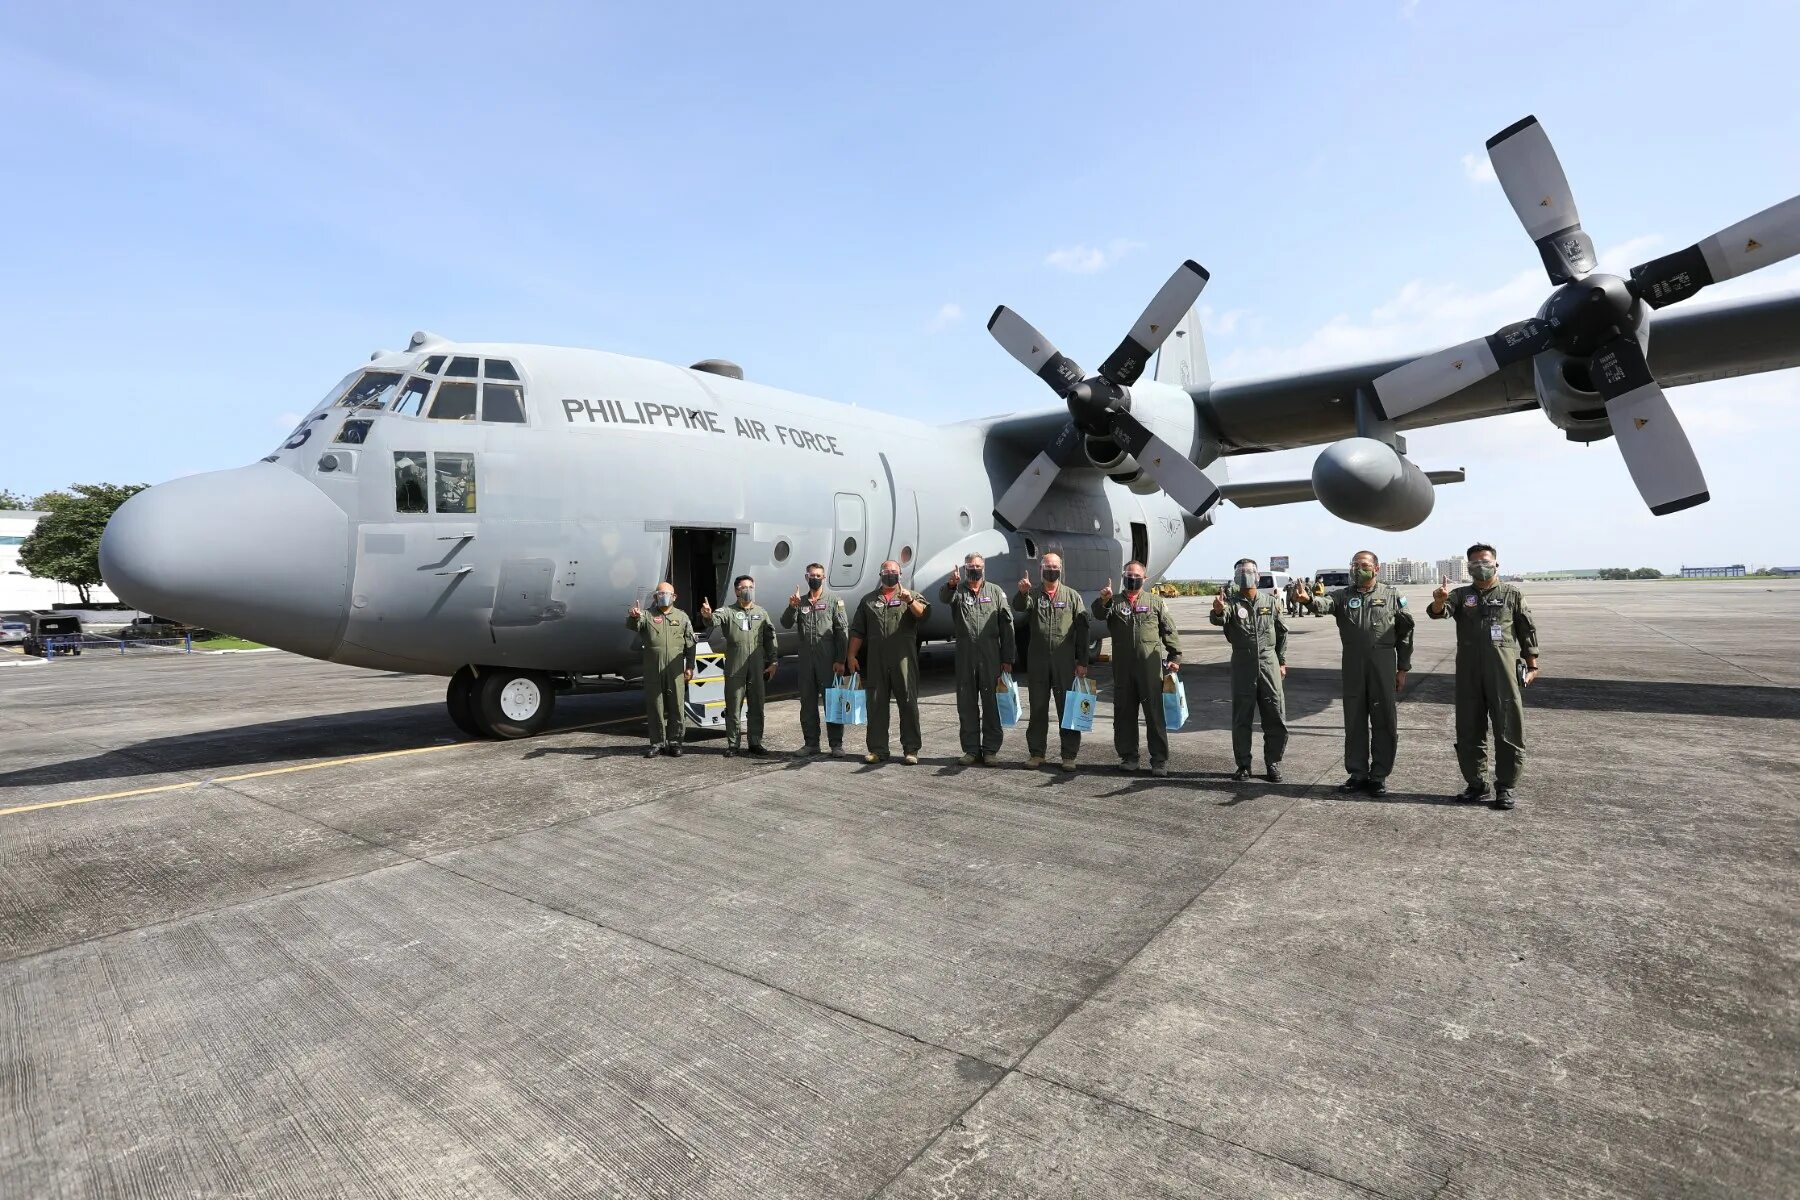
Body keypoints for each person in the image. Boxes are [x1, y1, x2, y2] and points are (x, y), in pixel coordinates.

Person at [1428, 543, 1540, 809]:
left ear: (1496, 564)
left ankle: (1506, 787)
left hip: (1502, 670)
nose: (1481, 566)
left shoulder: (1511, 594)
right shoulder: (1460, 595)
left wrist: (1532, 664)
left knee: (1508, 727)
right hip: (1468, 672)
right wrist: (1439, 600)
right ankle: (1476, 784)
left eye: (1485, 561)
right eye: (1475, 563)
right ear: (1468, 568)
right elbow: (1439, 613)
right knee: (1468, 728)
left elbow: (1526, 629)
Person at [1296, 551, 1413, 796]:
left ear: (1376, 569)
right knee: (1355, 719)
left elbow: (1405, 634)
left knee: (1384, 720)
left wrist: (1402, 668)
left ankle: (1379, 775)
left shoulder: (1392, 596)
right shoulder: (1343, 596)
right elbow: (1323, 604)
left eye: (1364, 565)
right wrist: (1307, 600)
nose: (1358, 569)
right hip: (1353, 664)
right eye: (1355, 564)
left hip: (1382, 663)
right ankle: (1358, 773)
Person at [1091, 561, 1182, 776]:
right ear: (1123, 576)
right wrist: (1103, 600)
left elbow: (1168, 629)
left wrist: (1175, 655)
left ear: (1145, 578)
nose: (1132, 578)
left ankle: (1159, 760)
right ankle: (1129, 757)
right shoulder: (1112, 602)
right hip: (1123, 668)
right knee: (1124, 713)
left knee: (1154, 714)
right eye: (1128, 574)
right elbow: (1097, 614)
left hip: (1150, 669)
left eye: (1136, 575)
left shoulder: (1155, 602)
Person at [1211, 559, 1289, 782]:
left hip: (1269, 663)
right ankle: (1243, 765)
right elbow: (1219, 618)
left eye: (1249, 571)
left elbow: (1282, 632)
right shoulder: (1231, 603)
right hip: (1243, 665)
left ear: (1257, 576)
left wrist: (1281, 661)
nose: (1245, 574)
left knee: (1275, 715)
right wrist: (1217, 611)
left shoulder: (1271, 602)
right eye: (1241, 571)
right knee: (1242, 718)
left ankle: (1273, 762)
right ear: (1235, 576)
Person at [846, 560, 931, 765]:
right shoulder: (868, 601)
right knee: (876, 704)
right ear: (880, 574)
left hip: (904, 661)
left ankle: (911, 749)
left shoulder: (911, 596)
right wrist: (851, 656)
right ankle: (877, 749)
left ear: (900, 574)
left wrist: (910, 601)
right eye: (886, 571)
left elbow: (924, 615)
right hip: (876, 661)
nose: (890, 574)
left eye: (894, 571)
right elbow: (858, 631)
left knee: (908, 703)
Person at [1013, 552, 1090, 771]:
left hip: (1064, 661)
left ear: (1061, 568)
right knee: (1037, 708)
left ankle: (1069, 755)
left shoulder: (1072, 596)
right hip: (1037, 661)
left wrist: (1082, 661)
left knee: (1067, 708)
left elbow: (1083, 629)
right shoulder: (1033, 594)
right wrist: (1022, 592)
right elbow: (1019, 607)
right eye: (1048, 566)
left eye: (1055, 566)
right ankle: (1037, 753)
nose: (1052, 569)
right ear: (1041, 569)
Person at [938, 554, 1015, 764]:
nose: (974, 569)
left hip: (991, 654)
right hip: (965, 655)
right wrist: (951, 584)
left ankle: (990, 750)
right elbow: (944, 598)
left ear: (984, 568)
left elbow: (1007, 626)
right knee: (966, 704)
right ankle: (971, 750)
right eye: (970, 566)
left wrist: (1008, 658)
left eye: (978, 566)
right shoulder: (958, 591)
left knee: (992, 704)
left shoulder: (996, 592)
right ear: (964, 568)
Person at [704, 575, 778, 757]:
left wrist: (773, 661)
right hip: (735, 664)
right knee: (733, 705)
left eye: (751, 587)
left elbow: (770, 638)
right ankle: (733, 744)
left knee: (757, 704)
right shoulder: (728, 611)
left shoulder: (761, 612)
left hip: (757, 664)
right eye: (744, 587)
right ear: (736, 591)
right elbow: (713, 621)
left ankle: (755, 742)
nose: (748, 590)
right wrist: (707, 616)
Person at [781, 563, 849, 756]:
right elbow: (786, 623)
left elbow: (842, 631)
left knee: (832, 702)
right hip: (806, 661)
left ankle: (836, 744)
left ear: (824, 578)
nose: (815, 578)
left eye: (818, 575)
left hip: (828, 660)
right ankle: (811, 743)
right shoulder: (800, 602)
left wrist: (840, 659)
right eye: (812, 575)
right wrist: (791, 607)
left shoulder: (834, 601)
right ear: (806, 577)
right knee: (807, 703)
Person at [626, 582, 696, 757]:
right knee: (655, 707)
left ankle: (675, 742)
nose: (663, 596)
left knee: (676, 707)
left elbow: (690, 643)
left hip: (675, 669)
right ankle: (657, 743)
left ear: (674, 597)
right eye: (660, 593)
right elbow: (634, 625)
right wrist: (633, 616)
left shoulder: (682, 617)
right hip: (653, 670)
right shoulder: (647, 616)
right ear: (655, 596)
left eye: (667, 593)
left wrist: (690, 666)